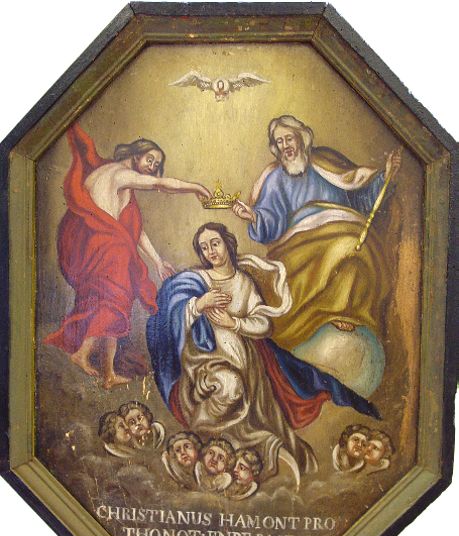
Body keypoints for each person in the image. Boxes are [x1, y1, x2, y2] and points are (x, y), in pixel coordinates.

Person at [147, 222, 381, 488]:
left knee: (246, 400)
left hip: (242, 362)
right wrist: (200, 303)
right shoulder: (196, 280)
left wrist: (234, 323)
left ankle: (242, 448)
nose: (210, 251)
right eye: (204, 247)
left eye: (215, 243)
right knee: (229, 388)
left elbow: (263, 323)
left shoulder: (243, 283)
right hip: (203, 364)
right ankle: (207, 433)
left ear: (227, 244)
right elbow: (169, 314)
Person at [44, 124, 211, 389]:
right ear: (136, 154)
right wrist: (196, 187)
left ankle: (108, 373)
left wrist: (157, 261)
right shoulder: (120, 174)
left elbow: (134, 230)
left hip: (102, 245)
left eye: (156, 164)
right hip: (107, 246)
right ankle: (82, 353)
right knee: (113, 301)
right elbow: (159, 183)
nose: (152, 167)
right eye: (150, 159)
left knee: (116, 301)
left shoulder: (116, 178)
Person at [231, 114, 401, 362]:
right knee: (343, 246)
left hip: (346, 229)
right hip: (298, 247)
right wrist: (254, 217)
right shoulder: (276, 179)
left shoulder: (328, 162)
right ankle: (321, 319)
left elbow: (361, 199)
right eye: (279, 142)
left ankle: (346, 311)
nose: (285, 146)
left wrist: (386, 177)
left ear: (301, 139)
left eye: (289, 138)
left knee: (352, 247)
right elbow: (271, 223)